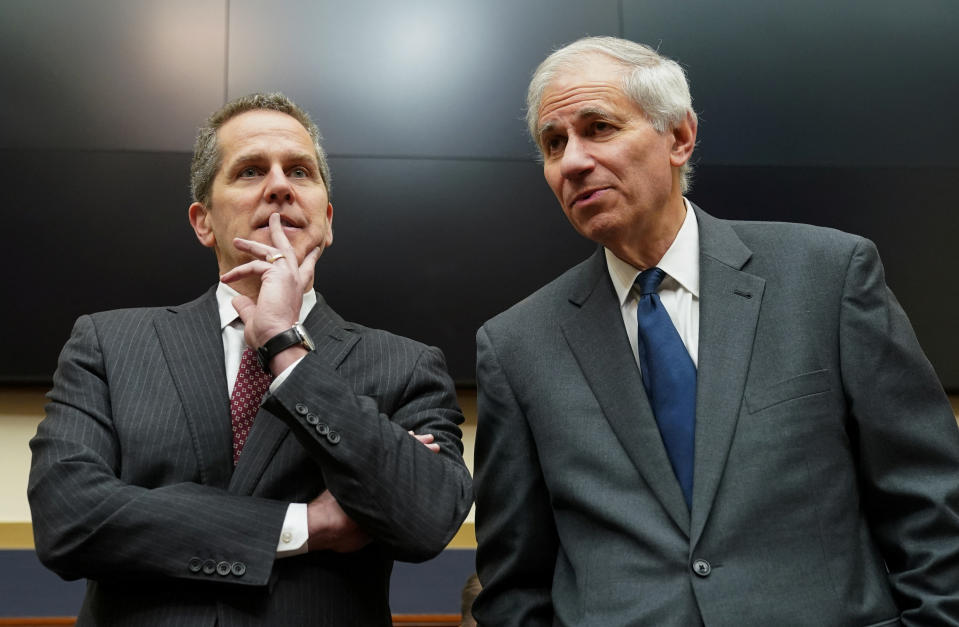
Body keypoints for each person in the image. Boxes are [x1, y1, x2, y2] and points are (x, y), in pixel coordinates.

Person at [472, 36, 959, 626]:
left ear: (678, 138)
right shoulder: (517, 345)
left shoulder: (827, 276)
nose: (572, 161)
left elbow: (929, 504)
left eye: (598, 128)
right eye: (554, 143)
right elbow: (514, 582)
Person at [28, 92, 473, 626]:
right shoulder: (108, 342)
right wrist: (307, 525)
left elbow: (426, 521)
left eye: (301, 172)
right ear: (204, 222)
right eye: (250, 171)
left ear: (327, 222)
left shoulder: (406, 365)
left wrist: (287, 346)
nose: (280, 186)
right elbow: (69, 519)